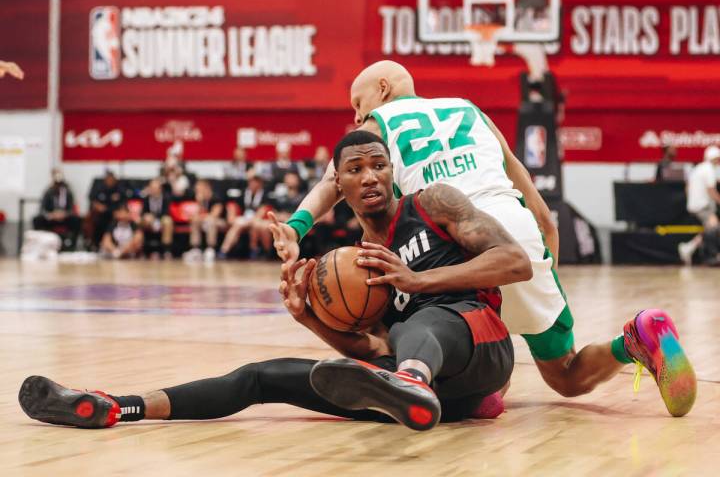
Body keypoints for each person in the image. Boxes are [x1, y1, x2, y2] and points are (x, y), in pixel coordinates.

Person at [18, 130, 530, 431]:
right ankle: (118, 407)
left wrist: (418, 281)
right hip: (430, 395)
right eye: (357, 168)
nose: (370, 176)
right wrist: (308, 317)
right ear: (339, 181)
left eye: (380, 166)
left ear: (392, 173)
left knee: (421, 324)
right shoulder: (352, 261)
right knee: (261, 376)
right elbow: (366, 347)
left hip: (481, 347)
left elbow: (514, 262)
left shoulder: (432, 203)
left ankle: (411, 381)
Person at [272, 60, 697, 417]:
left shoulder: (378, 126)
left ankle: (461, 392)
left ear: (382, 89)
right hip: (516, 229)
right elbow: (540, 206)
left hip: (449, 235)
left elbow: (333, 179)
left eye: (357, 105)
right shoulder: (469, 109)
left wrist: (296, 227)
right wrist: (545, 259)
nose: (355, 119)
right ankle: (636, 338)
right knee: (565, 373)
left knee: (411, 329)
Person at [678, 146, 720, 265]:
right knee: (714, 227)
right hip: (703, 205)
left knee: (710, 228)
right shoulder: (709, 170)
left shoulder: (697, 169)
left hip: (694, 205)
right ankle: (712, 256)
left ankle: (688, 248)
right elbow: (711, 190)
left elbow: (687, 188)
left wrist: (692, 201)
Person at [250, 172, 306, 259]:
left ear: (298, 181)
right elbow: (273, 209)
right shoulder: (280, 196)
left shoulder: (302, 196)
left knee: (266, 226)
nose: (289, 181)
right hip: (279, 219)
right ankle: (265, 251)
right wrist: (277, 214)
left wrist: (288, 216)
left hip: (294, 219)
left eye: (292, 178)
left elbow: (303, 212)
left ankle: (269, 254)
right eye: (287, 178)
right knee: (262, 225)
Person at [217, 174, 270, 259]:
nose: (252, 184)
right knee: (237, 225)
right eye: (251, 182)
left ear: (260, 184)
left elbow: (263, 210)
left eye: (255, 182)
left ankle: (259, 251)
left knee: (256, 225)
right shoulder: (243, 193)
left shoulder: (266, 195)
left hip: (259, 220)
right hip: (245, 219)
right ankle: (224, 250)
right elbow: (234, 207)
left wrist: (252, 220)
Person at [33, 169, 81, 250]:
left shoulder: (68, 193)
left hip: (64, 218)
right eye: (56, 184)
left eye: (60, 184)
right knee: (37, 220)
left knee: (77, 220)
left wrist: (64, 214)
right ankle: (41, 244)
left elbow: (71, 209)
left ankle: (71, 246)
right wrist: (51, 214)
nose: (58, 186)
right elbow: (42, 209)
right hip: (51, 218)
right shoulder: (48, 192)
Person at [183, 180, 226, 262]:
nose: (197, 191)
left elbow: (214, 215)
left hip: (220, 221)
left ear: (207, 188)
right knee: (195, 221)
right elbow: (197, 214)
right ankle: (196, 249)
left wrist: (201, 217)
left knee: (210, 221)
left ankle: (211, 249)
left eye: (199, 189)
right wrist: (200, 203)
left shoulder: (216, 197)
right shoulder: (201, 200)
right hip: (205, 220)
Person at [85, 170, 126, 250]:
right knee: (95, 220)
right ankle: (95, 244)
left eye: (112, 179)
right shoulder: (99, 187)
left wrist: (119, 211)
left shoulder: (119, 188)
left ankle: (113, 244)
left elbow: (123, 201)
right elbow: (92, 199)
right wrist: (97, 206)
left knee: (116, 220)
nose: (110, 181)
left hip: (114, 212)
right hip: (101, 213)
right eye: (108, 179)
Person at [140, 178, 173, 259]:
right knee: (144, 220)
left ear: (160, 189)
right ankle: (142, 249)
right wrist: (150, 218)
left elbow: (166, 212)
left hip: (161, 219)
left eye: (155, 188)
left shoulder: (166, 198)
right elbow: (143, 213)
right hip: (149, 221)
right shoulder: (146, 198)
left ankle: (166, 250)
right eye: (152, 188)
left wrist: (156, 219)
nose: (153, 190)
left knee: (168, 221)